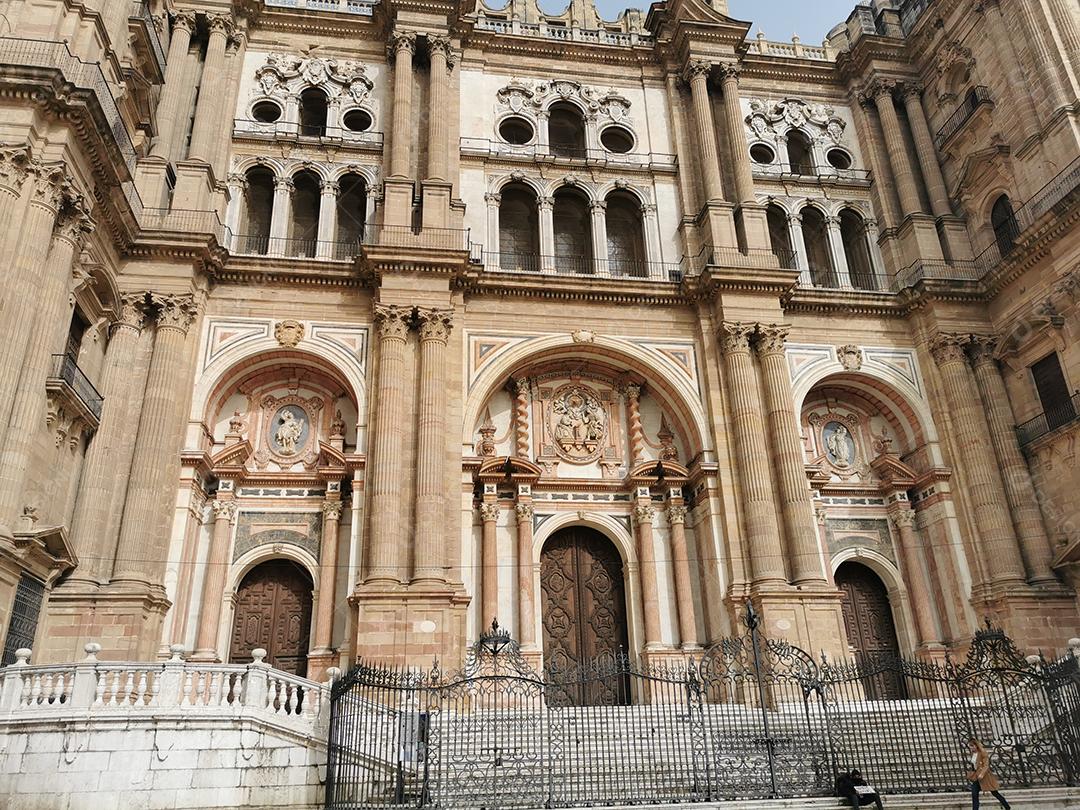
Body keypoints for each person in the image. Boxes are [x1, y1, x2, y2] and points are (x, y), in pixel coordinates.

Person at [968, 738, 1011, 809]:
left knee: (994, 792)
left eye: (972, 746)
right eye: (970, 746)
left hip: (985, 777)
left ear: (976, 745)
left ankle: (1007, 806)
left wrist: (982, 773)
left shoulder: (982, 752)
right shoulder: (972, 753)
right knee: (974, 794)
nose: (971, 748)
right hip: (976, 777)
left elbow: (986, 765)